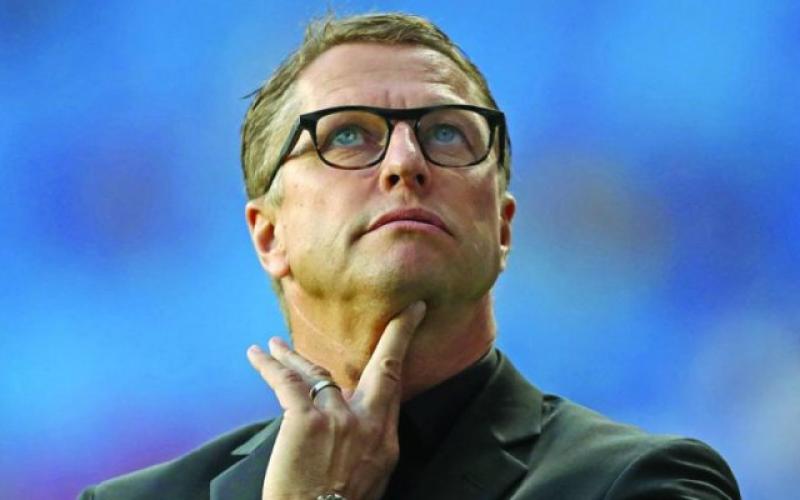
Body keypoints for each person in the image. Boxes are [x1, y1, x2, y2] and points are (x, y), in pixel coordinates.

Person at [80, 12, 740, 500]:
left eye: (446, 134)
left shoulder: (642, 483)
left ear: (502, 227)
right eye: (347, 135)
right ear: (268, 236)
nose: (405, 162)